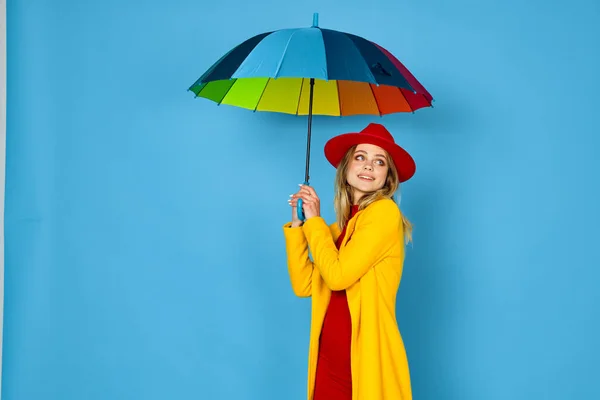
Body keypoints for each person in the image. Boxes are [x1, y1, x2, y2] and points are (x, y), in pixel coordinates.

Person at [283, 122, 416, 400]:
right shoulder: (338, 232)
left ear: (388, 178)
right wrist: (299, 225)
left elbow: (338, 276)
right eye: (360, 157)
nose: (369, 166)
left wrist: (315, 221)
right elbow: (305, 285)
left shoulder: (384, 215)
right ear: (345, 169)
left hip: (362, 365)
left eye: (379, 162)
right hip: (329, 362)